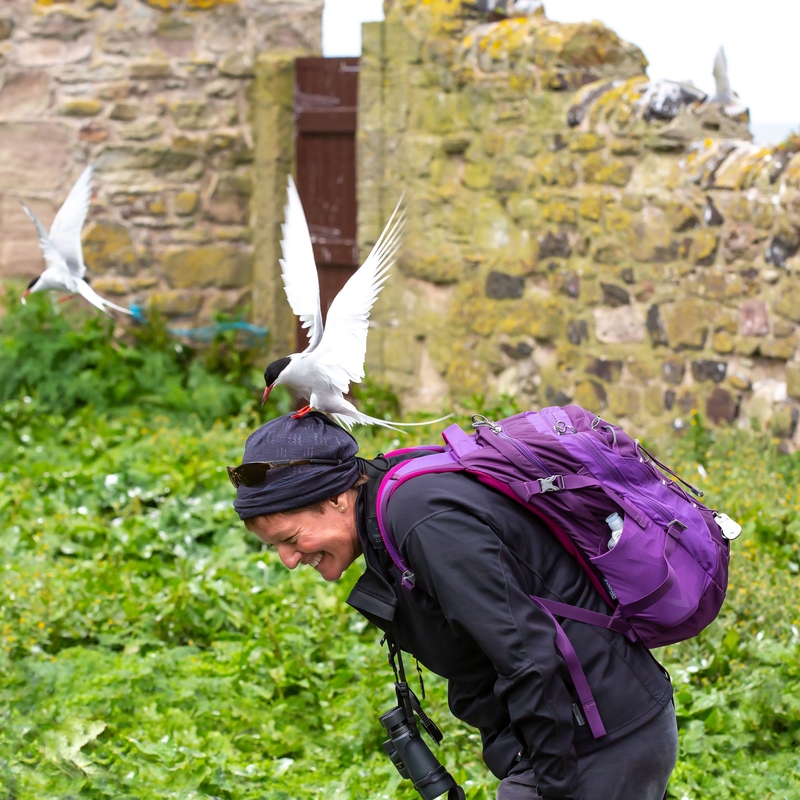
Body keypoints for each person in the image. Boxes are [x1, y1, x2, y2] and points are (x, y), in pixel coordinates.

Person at [230, 411, 678, 800]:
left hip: (598, 740)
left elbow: (527, 655)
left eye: (290, 540)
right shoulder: (388, 501)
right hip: (584, 732)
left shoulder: (423, 521)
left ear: (335, 496)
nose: (289, 560)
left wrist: (556, 786)